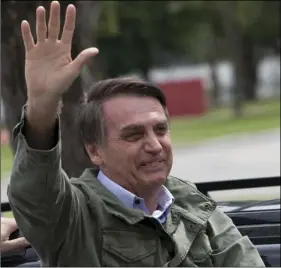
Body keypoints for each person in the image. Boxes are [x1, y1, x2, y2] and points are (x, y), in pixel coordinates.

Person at [8, 1, 265, 267]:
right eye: (134, 135)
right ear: (95, 151)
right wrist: (41, 106)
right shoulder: (75, 216)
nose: (155, 145)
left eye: (161, 129)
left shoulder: (192, 205)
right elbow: (35, 192)